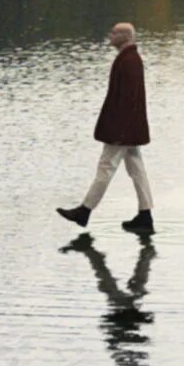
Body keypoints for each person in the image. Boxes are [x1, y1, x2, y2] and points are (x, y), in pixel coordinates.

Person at [57, 23, 155, 234]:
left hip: (121, 131)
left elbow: (127, 101)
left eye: (113, 33)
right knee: (137, 169)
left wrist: (119, 133)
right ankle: (145, 215)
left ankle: (84, 211)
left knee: (106, 167)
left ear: (124, 36)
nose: (110, 36)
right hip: (129, 130)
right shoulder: (131, 59)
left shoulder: (128, 61)